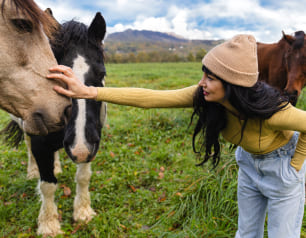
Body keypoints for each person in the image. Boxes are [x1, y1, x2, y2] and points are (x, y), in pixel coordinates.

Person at [47, 34, 306, 238]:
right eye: (204, 73)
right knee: (246, 233)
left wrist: (295, 164)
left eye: (211, 77)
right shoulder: (206, 96)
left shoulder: (272, 113)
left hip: (282, 169)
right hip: (249, 166)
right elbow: (151, 98)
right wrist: (88, 91)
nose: (202, 82)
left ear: (233, 83)